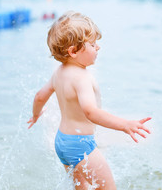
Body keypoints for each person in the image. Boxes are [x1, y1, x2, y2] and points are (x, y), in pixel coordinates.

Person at [27, 11, 152, 189]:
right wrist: (124, 125)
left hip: (62, 142)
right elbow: (90, 112)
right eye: (93, 44)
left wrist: (36, 115)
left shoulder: (58, 73)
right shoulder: (81, 77)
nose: (98, 47)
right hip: (80, 144)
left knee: (82, 187)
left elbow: (40, 96)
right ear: (73, 51)